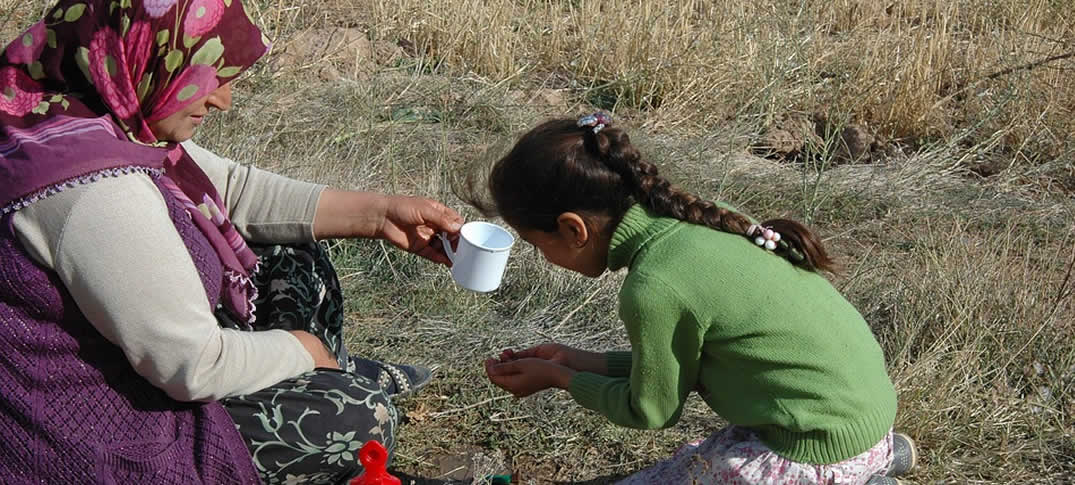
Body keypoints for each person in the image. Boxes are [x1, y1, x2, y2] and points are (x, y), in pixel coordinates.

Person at [0, 1, 462, 484]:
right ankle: (333, 376)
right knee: (357, 416)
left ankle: (331, 368)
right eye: (206, 79)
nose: (223, 101)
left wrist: (380, 215)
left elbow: (230, 190)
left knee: (291, 256)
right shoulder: (95, 195)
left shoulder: (67, 115)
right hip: (89, 428)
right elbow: (191, 366)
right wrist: (300, 349)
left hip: (131, 351)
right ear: (141, 57)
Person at [470, 113, 917, 484]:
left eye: (535, 243)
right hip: (861, 416)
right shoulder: (703, 223)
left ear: (573, 229)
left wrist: (560, 378)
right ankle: (878, 459)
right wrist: (575, 360)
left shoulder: (655, 286)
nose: (541, 257)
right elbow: (687, 364)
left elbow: (649, 409)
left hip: (809, 449)